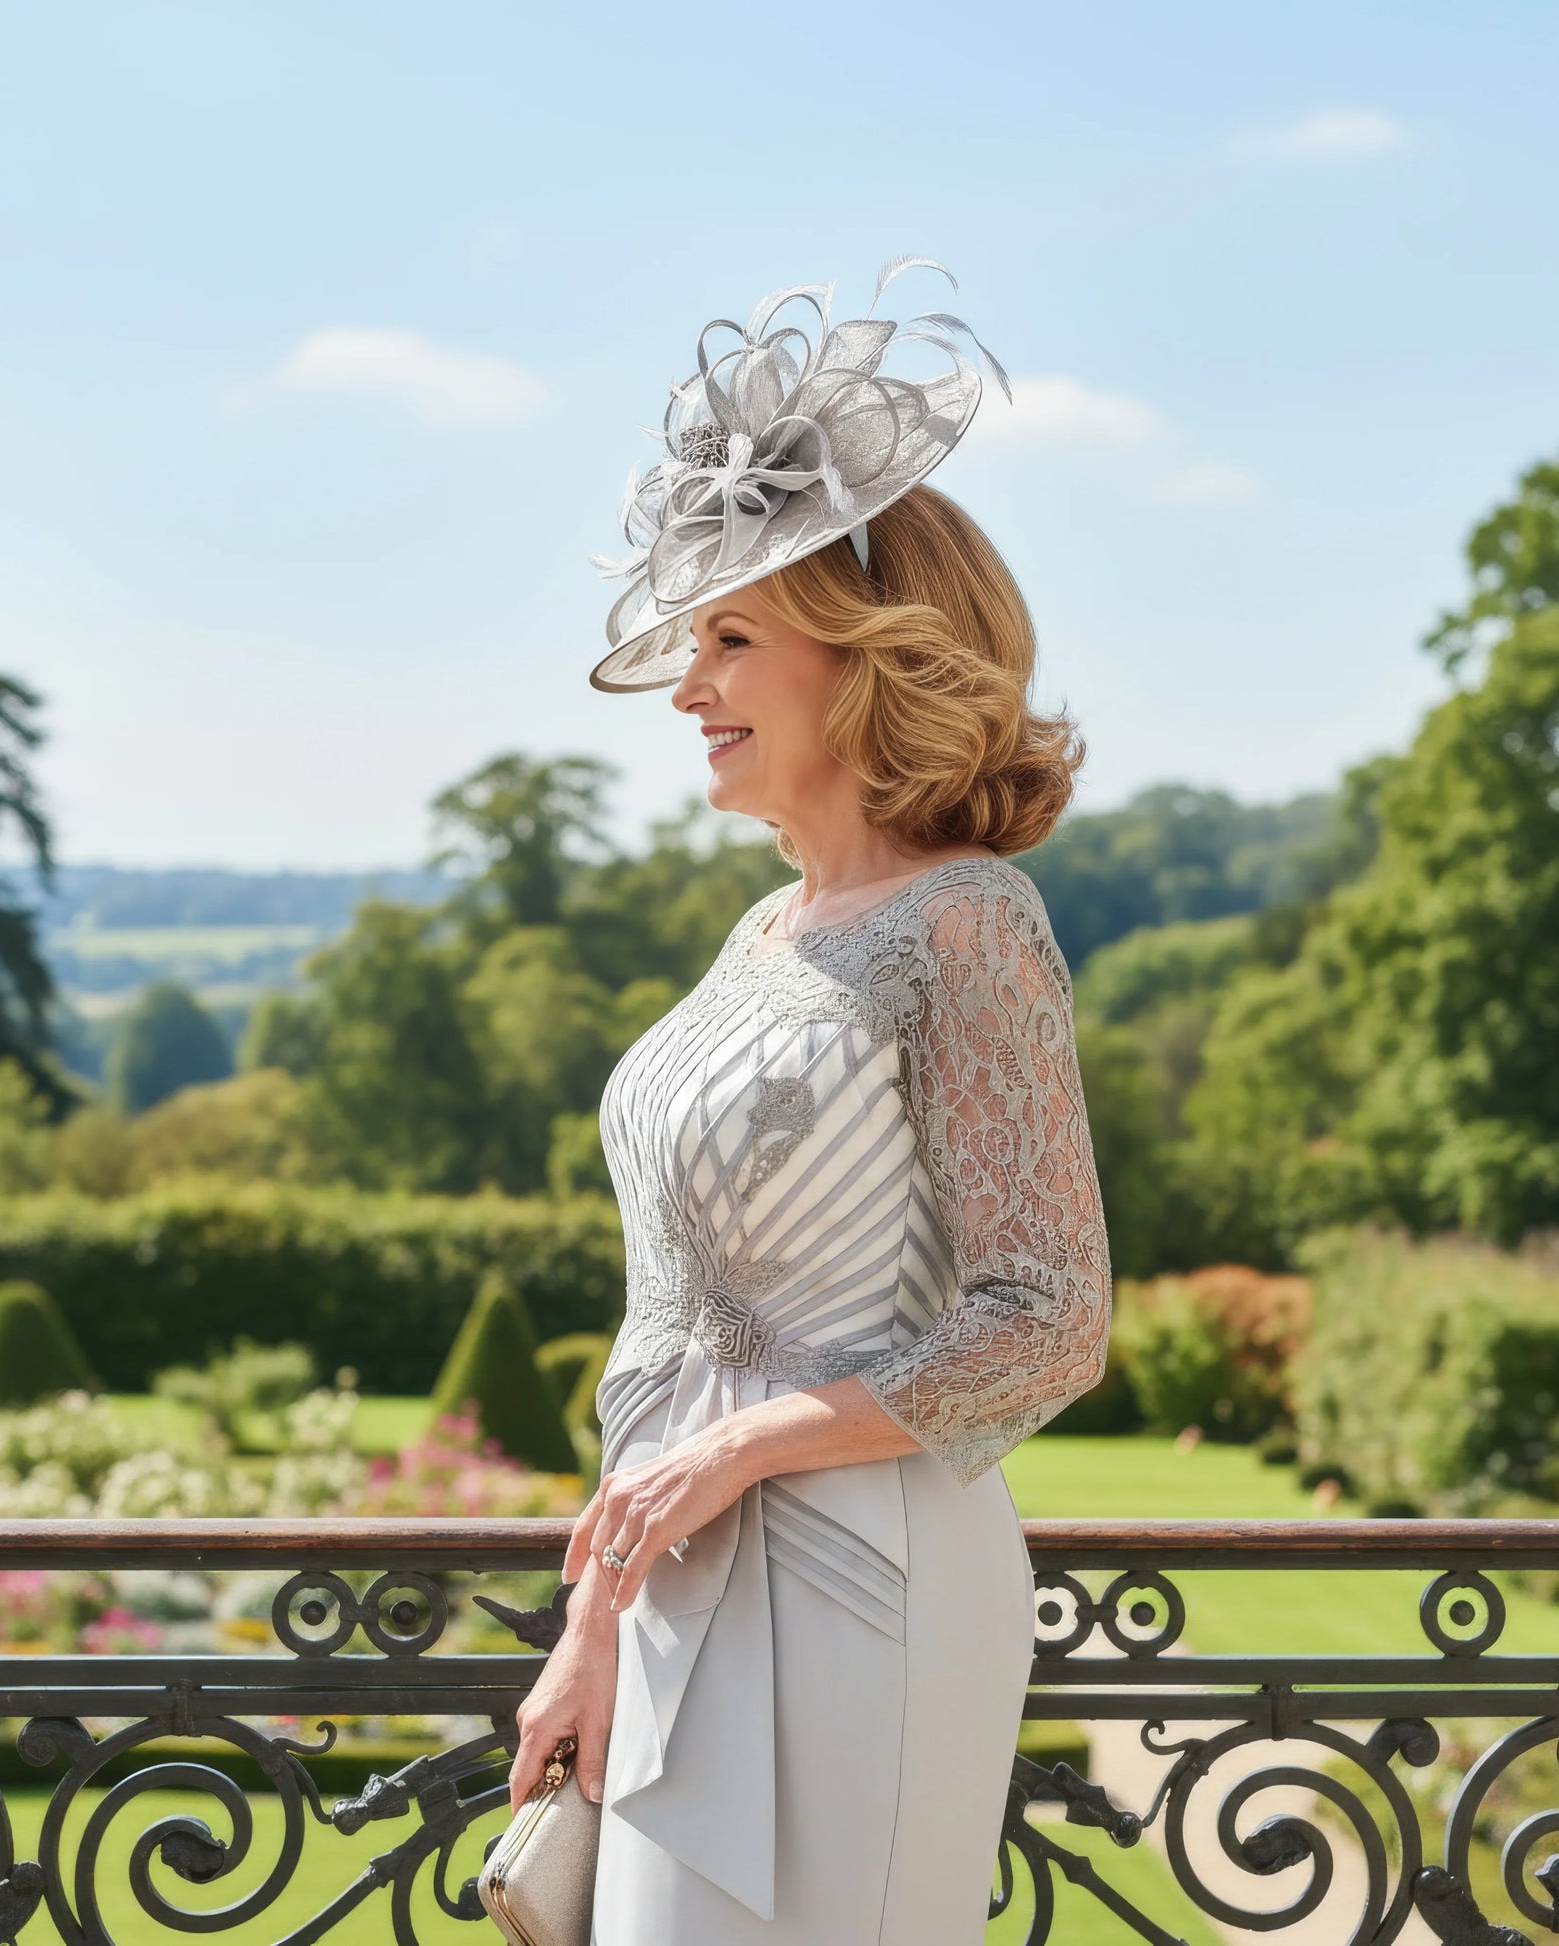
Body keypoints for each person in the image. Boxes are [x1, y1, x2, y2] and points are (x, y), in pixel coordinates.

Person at [506, 263, 1113, 1945]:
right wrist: (600, 1618)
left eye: (730, 637)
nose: (689, 685)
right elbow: (669, 1325)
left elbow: (1050, 1319)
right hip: (689, 1573)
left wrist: (745, 1445)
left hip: (869, 1573)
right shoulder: (759, 931)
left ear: (857, 660)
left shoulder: (968, 920)